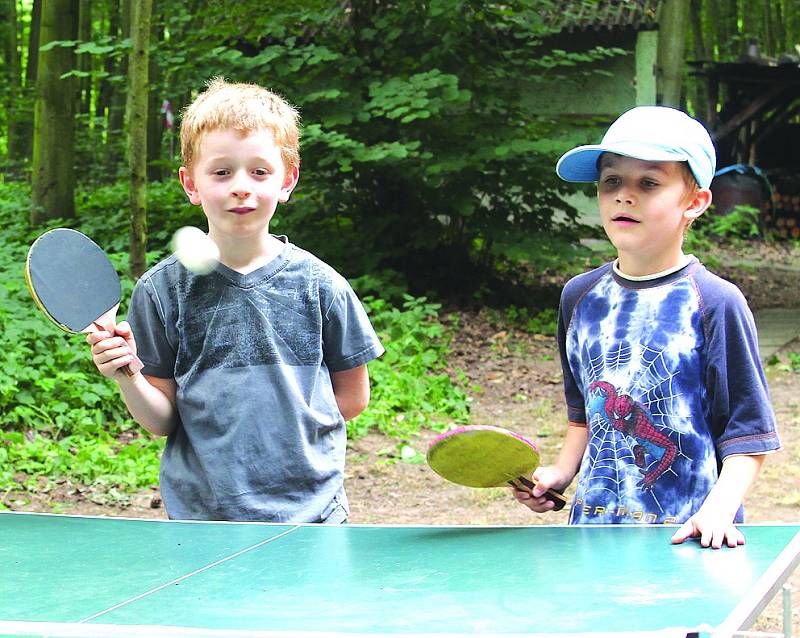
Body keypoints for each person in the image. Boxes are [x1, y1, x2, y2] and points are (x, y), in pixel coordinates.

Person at [87, 78, 384, 523]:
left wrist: (284, 435)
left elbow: (353, 398)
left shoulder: (322, 285)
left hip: (314, 515)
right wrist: (128, 375)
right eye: (222, 172)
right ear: (192, 184)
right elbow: (161, 421)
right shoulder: (161, 291)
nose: (241, 186)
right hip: (204, 518)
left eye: (259, 172)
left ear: (287, 180)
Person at [511, 106, 780, 548]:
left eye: (648, 183)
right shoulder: (578, 297)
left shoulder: (716, 303)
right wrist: (560, 472)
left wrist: (717, 511)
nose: (623, 196)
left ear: (694, 203)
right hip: (592, 536)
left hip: (688, 537)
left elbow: (748, 434)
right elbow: (584, 414)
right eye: (611, 181)